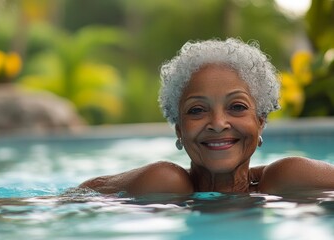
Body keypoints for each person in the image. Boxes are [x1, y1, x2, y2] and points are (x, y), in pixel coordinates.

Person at [79, 38, 334, 195]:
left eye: (236, 107)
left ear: (260, 120)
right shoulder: (165, 183)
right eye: (197, 110)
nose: (218, 124)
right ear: (179, 129)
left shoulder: (290, 178)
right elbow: (63, 203)